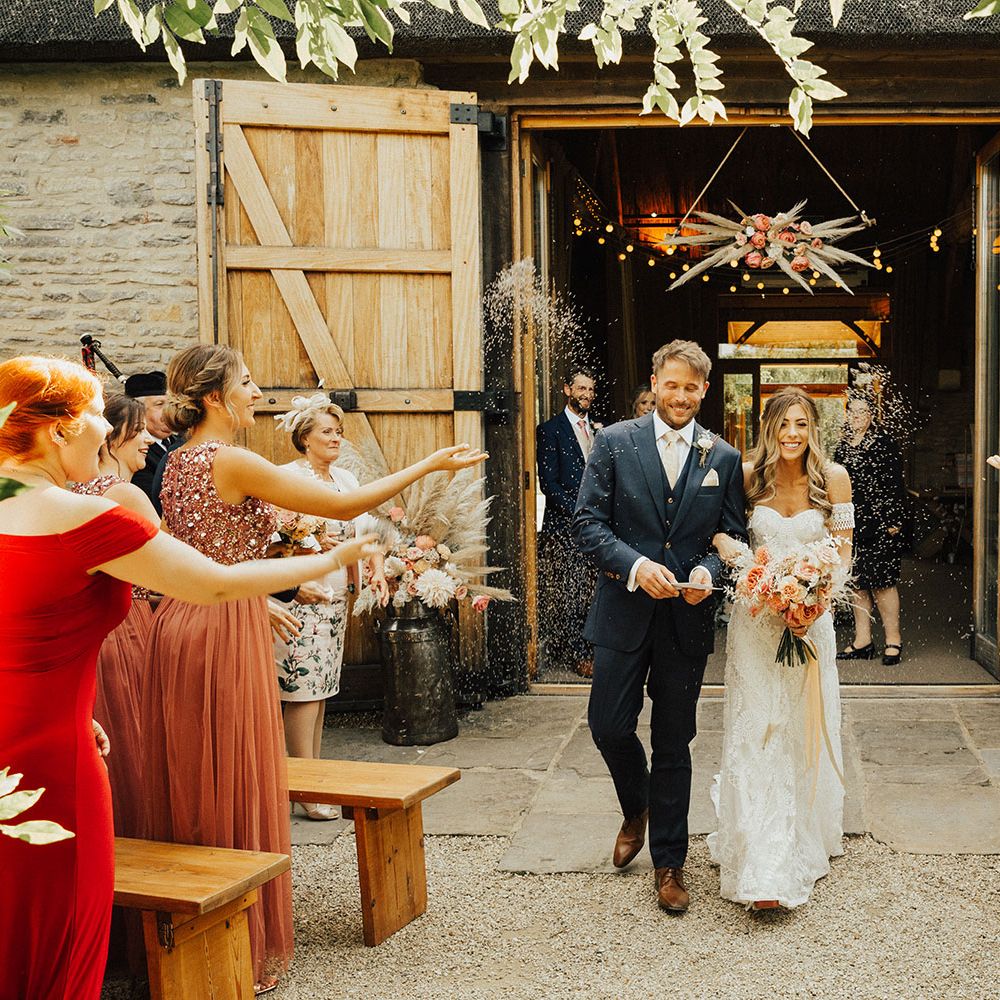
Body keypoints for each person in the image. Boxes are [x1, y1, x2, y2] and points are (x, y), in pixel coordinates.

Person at [0, 355, 379, 1000]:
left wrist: (61, 704)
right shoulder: (92, 520)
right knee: (58, 939)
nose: (111, 425)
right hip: (52, 769)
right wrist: (335, 555)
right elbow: (215, 583)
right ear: (58, 430)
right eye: (95, 412)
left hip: (30, 736)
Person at [140, 344, 485, 991]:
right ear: (214, 397)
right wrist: (431, 462)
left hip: (183, 624)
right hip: (223, 630)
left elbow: (194, 551)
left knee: (195, 770)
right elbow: (344, 509)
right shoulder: (232, 460)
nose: (256, 392)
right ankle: (229, 944)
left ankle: (193, 934)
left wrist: (255, 598)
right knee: (238, 769)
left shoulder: (176, 462)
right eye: (246, 383)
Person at [573, 340, 747, 913]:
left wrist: (707, 568)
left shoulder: (721, 456)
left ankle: (670, 864)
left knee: (675, 742)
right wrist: (637, 566)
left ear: (705, 389)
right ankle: (637, 805)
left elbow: (731, 537)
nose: (680, 396)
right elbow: (588, 523)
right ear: (655, 382)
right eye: (671, 385)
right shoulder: (615, 442)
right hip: (623, 613)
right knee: (608, 725)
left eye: (691, 387)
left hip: (686, 622)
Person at [709, 387, 853, 911]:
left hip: (810, 626)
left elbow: (842, 557)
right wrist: (758, 580)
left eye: (801, 424)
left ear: (814, 429)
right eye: (782, 425)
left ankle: (801, 834)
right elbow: (723, 538)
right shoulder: (748, 478)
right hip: (757, 623)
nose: (792, 434)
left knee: (800, 724)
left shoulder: (834, 479)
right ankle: (762, 859)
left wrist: (813, 600)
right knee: (759, 727)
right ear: (768, 428)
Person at [272, 396, 389, 821]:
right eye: (326, 431)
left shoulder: (346, 479)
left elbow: (370, 527)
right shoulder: (286, 478)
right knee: (302, 690)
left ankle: (313, 780)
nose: (335, 438)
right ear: (305, 438)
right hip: (301, 595)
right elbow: (276, 534)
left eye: (338, 432)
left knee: (321, 691)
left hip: (337, 597)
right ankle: (301, 787)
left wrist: (375, 566)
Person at [71, 393, 157, 841]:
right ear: (113, 435)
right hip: (130, 626)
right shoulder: (122, 493)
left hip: (90, 636)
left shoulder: (70, 494)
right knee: (136, 738)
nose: (148, 438)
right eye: (138, 429)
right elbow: (170, 569)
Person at [834, 395, 908, 665]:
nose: (856, 416)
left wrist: (895, 521)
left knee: (883, 584)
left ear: (871, 416)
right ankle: (863, 640)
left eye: (862, 412)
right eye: (852, 411)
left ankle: (893, 640)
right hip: (852, 524)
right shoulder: (842, 448)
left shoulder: (884, 444)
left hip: (881, 524)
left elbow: (895, 484)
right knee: (856, 584)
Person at [536, 367, 600, 677]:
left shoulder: (599, 432)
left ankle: (594, 648)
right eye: (581, 388)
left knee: (594, 591)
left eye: (591, 389)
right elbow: (549, 484)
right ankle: (577, 654)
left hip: (597, 528)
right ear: (567, 390)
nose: (587, 394)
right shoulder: (550, 430)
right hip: (565, 527)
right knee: (572, 592)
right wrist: (581, 511)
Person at [123, 370, 180, 505]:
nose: (168, 412)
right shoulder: (138, 453)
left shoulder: (178, 442)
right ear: (139, 410)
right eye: (159, 404)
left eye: (170, 404)